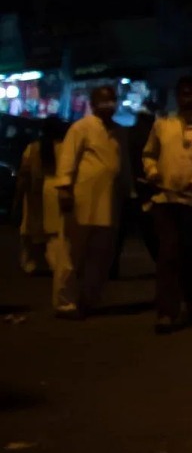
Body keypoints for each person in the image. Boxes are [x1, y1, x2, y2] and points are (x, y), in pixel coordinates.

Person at [143, 77, 192, 333]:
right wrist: (153, 172)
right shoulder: (163, 125)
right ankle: (166, 312)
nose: (187, 99)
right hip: (166, 201)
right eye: (183, 94)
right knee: (168, 255)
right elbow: (149, 154)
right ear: (177, 97)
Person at [53, 86, 125, 318]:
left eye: (112, 101)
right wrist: (64, 189)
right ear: (93, 104)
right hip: (82, 201)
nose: (109, 106)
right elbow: (67, 160)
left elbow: (124, 168)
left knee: (100, 256)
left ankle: (90, 299)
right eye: (103, 101)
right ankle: (65, 302)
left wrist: (130, 194)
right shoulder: (81, 128)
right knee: (71, 254)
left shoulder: (119, 132)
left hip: (109, 203)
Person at [14, 118, 68, 277]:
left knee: (31, 230)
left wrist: (18, 196)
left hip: (36, 192)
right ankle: (54, 263)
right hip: (58, 191)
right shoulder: (65, 148)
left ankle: (32, 263)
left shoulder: (33, 148)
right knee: (56, 232)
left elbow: (24, 174)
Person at [113, 109, 159, 279]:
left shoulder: (127, 134)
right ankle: (162, 264)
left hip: (126, 188)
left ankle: (112, 268)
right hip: (143, 189)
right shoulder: (150, 136)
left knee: (119, 233)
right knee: (150, 232)